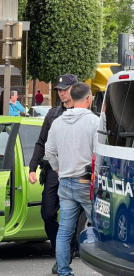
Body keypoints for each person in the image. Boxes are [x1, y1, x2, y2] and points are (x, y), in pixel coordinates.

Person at [45, 82, 98, 276]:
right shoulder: (94, 122)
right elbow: (98, 154)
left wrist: (58, 170)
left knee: (64, 230)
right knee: (99, 227)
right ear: (88, 98)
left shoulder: (58, 122)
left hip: (65, 182)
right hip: (86, 183)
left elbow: (49, 151)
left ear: (72, 98)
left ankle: (64, 271)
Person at [28, 73, 78, 274]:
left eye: (65, 89)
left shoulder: (84, 114)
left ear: (75, 89)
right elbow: (41, 143)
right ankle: (64, 250)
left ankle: (63, 256)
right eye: (59, 90)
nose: (62, 93)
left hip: (75, 173)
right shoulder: (52, 114)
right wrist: (32, 167)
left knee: (72, 218)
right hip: (52, 171)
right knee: (47, 214)